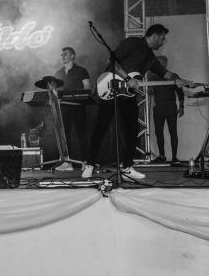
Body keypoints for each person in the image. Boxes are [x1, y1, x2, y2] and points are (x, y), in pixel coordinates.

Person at [82, 24, 185, 180]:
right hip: (110, 87)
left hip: (127, 93)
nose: (162, 42)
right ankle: (89, 165)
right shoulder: (131, 43)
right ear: (155, 36)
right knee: (101, 127)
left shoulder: (150, 58)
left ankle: (127, 167)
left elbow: (164, 73)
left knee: (132, 129)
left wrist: (179, 80)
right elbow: (112, 61)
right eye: (162, 39)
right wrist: (128, 79)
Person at [53, 47, 91, 171]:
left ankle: (86, 162)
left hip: (78, 107)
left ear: (72, 56)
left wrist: (77, 95)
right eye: (61, 55)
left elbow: (87, 88)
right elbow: (54, 91)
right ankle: (67, 163)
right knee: (65, 136)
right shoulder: (58, 73)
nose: (62, 56)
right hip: (63, 108)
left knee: (81, 134)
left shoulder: (82, 70)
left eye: (65, 54)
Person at [150, 56, 184, 163]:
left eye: (161, 63)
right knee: (158, 132)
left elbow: (180, 92)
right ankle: (162, 156)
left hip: (170, 106)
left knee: (173, 131)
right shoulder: (152, 77)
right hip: (158, 107)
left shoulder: (173, 76)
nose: (160, 65)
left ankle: (174, 157)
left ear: (166, 63)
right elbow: (147, 90)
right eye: (158, 63)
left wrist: (182, 106)